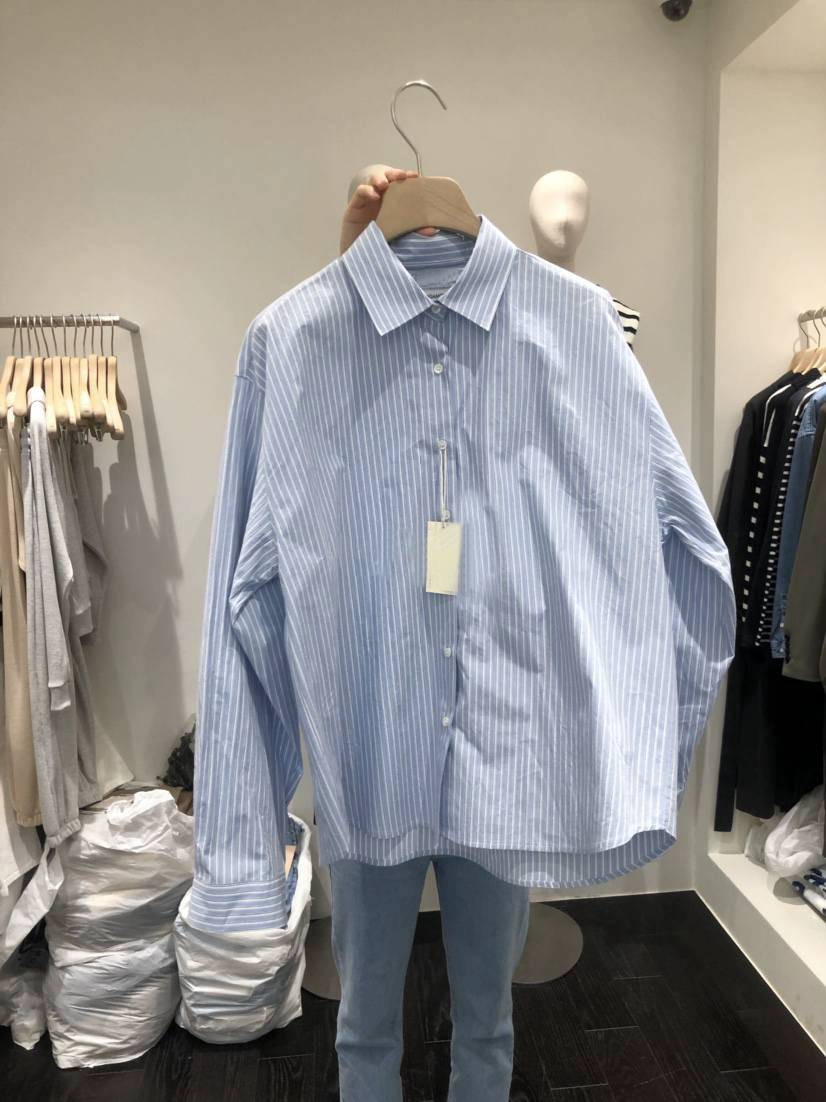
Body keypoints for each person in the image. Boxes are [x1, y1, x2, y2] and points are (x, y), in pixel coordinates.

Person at [329, 165, 532, 1102]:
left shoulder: (558, 329)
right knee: (365, 1013)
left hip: (499, 739)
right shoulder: (312, 342)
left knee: (488, 1011)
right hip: (373, 735)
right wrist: (352, 262)